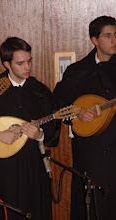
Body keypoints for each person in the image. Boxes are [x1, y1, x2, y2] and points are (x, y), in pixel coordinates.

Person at [0, 37, 60, 220]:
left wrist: (40, 135)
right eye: (20, 63)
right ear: (6, 64)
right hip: (4, 167)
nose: (27, 68)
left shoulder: (40, 91)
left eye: (29, 61)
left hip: (34, 164)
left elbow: (54, 126)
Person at [53, 15, 116, 220]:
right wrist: (78, 112)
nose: (114, 40)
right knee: (92, 202)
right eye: (108, 36)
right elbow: (59, 104)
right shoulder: (77, 70)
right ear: (94, 40)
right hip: (90, 151)